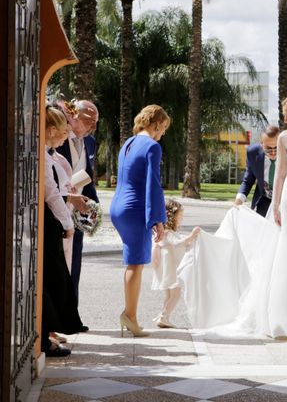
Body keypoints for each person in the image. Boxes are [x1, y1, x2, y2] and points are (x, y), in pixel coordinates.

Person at [178, 92, 287, 339]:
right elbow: (281, 174)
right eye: (285, 117)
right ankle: (286, 318)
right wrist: (275, 204)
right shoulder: (286, 138)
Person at [110, 105, 170, 337]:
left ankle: (130, 315)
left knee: (132, 260)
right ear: (156, 124)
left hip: (118, 206)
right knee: (135, 262)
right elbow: (153, 184)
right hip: (134, 208)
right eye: (163, 128)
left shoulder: (129, 142)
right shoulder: (152, 146)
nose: (162, 133)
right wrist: (158, 219)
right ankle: (130, 317)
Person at [41, 106, 90, 356]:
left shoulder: (50, 156)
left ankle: (49, 330)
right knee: (51, 279)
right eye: (62, 132)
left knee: (54, 278)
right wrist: (68, 224)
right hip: (50, 224)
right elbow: (52, 194)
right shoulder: (45, 157)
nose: (65, 137)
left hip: (52, 223)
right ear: (50, 130)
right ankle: (44, 336)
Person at [57, 99, 99, 304]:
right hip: (57, 207)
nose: (92, 126)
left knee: (75, 262)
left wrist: (94, 207)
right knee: (59, 263)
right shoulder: (59, 138)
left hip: (78, 210)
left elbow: (88, 176)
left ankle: (71, 311)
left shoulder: (90, 142)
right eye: (88, 121)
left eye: (95, 123)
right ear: (74, 117)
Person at [151, 199, 200, 328]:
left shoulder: (161, 233)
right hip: (170, 267)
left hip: (164, 266)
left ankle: (164, 315)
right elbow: (179, 243)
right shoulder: (168, 233)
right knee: (176, 293)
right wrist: (193, 235)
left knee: (168, 294)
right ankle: (163, 316)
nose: (181, 219)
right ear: (172, 217)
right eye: (180, 216)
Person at [234, 125, 280, 217]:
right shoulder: (252, 152)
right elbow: (248, 180)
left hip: (285, 200)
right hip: (264, 199)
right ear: (261, 144)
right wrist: (239, 200)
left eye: (276, 148)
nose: (273, 153)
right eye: (268, 149)